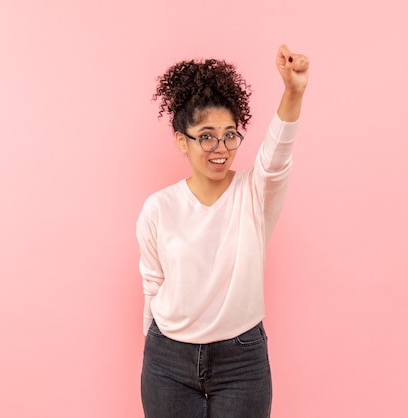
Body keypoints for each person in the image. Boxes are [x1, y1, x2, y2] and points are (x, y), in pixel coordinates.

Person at [136, 44, 309, 417]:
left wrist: (293, 91)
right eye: (207, 136)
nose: (221, 147)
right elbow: (152, 285)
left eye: (230, 135)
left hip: (241, 362)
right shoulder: (158, 208)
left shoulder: (255, 193)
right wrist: (153, 351)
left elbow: (277, 156)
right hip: (168, 361)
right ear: (182, 139)